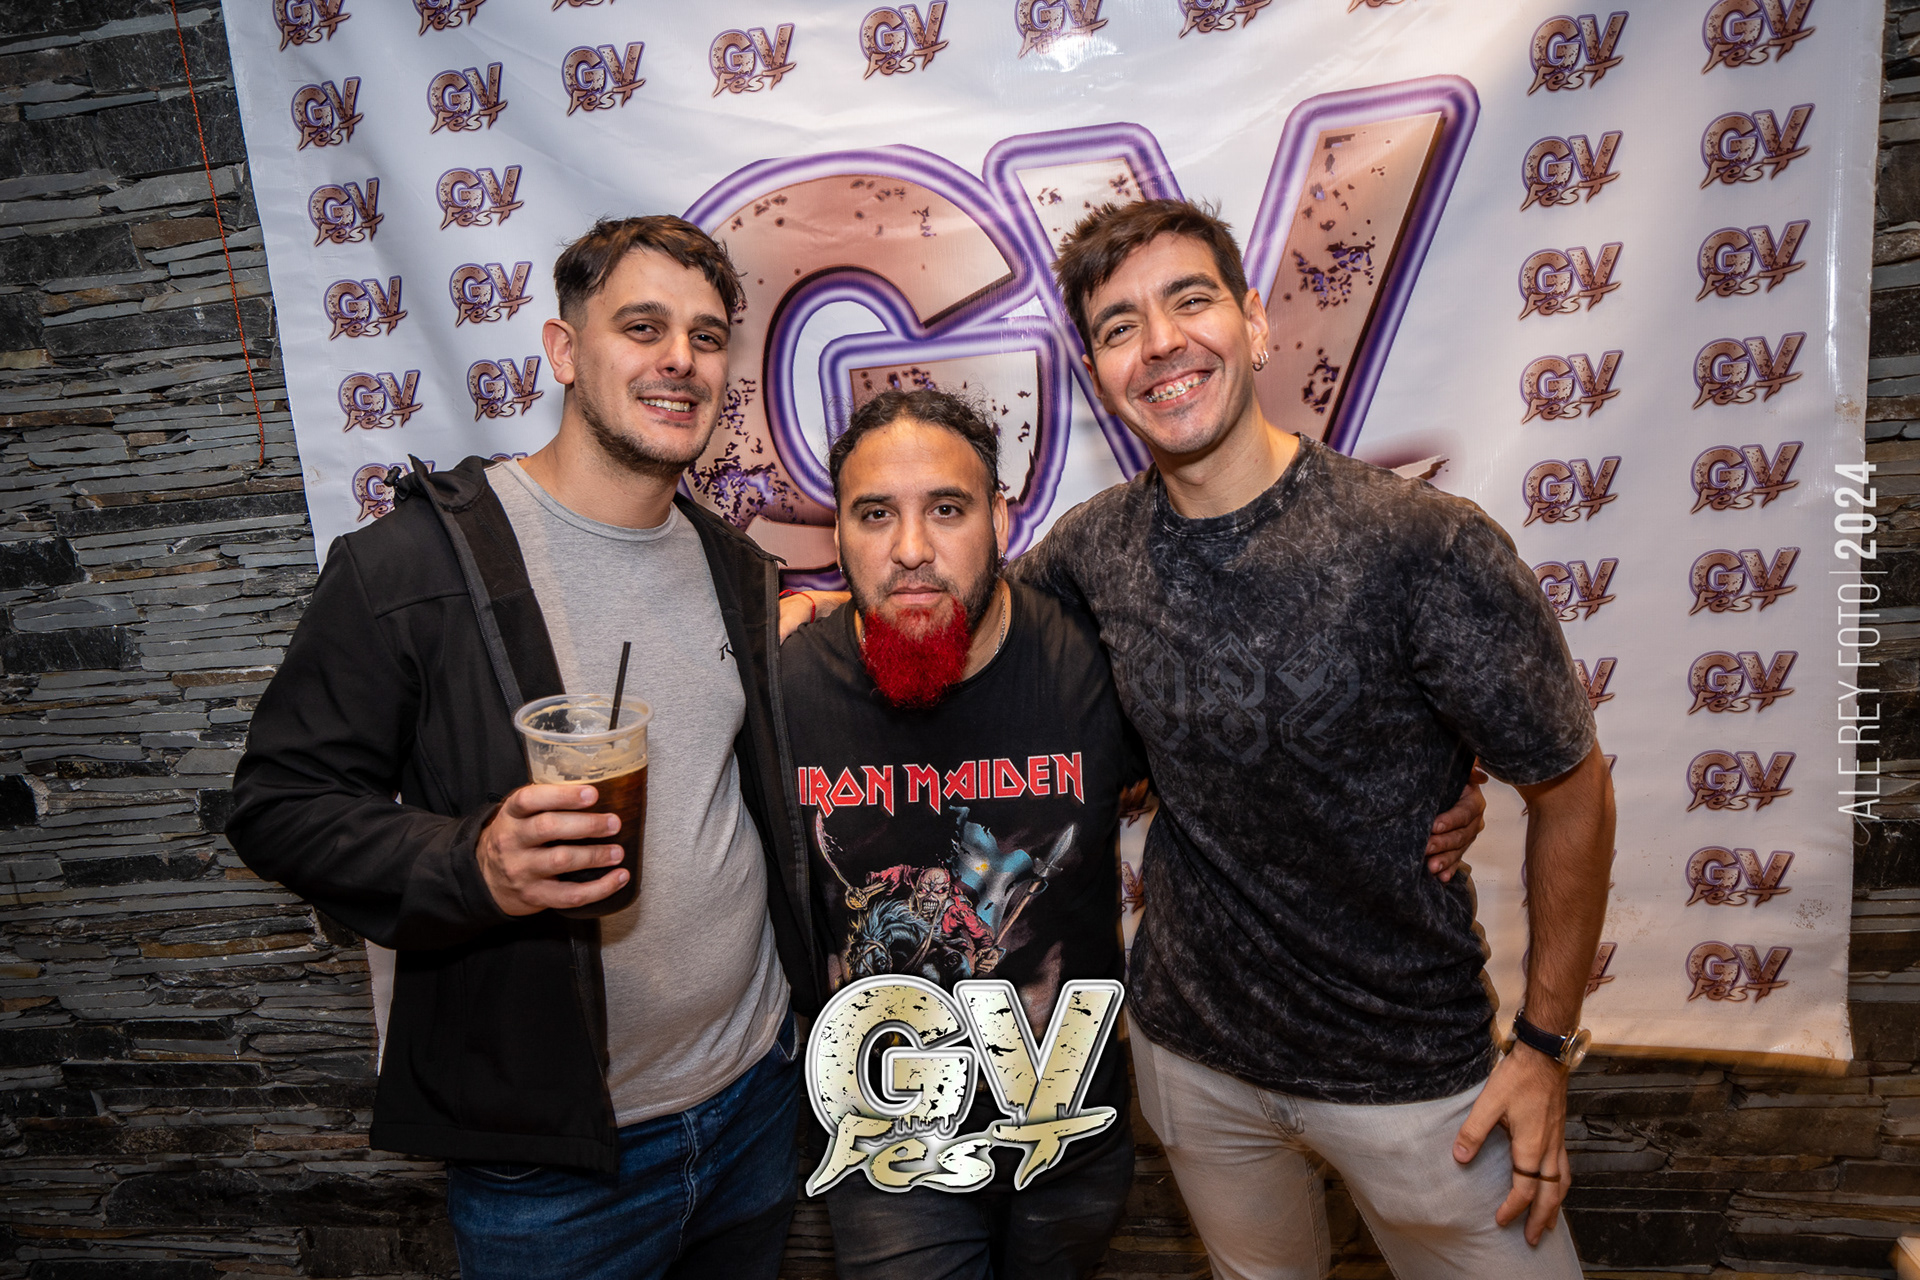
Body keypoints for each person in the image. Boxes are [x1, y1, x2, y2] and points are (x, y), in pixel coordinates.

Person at [788, 198, 1615, 1276]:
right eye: (1120, 325)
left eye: (1190, 301)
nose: (1162, 343)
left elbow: (1573, 787)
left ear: (1255, 322)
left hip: (1414, 1077)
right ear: (1099, 372)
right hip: (1195, 1068)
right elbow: (953, 603)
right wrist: (811, 609)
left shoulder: (1422, 543)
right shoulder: (1093, 551)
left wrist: (1544, 1046)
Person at [778, 388, 1490, 1280]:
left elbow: (1258, 766)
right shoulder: (783, 684)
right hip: (887, 1142)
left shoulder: (1096, 661)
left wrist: (1428, 789)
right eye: (875, 514)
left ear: (1001, 518)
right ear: (838, 532)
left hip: (1068, 1135)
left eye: (948, 509)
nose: (912, 548)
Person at [228, 216, 820, 1280]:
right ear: (563, 350)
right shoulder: (412, 565)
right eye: (642, 327)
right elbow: (279, 805)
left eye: (705, 335)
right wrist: (474, 863)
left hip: (754, 1096)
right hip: (557, 1169)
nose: (679, 359)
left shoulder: (736, 567)